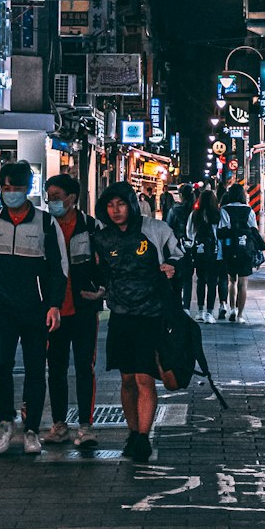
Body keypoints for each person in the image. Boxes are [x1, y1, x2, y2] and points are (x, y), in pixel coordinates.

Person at [0, 160, 68, 456]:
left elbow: (58, 267)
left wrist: (54, 305)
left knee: (35, 369)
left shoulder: (44, 222)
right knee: (0, 362)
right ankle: (5, 421)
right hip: (2, 307)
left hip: (36, 308)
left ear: (29, 190)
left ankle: (31, 430)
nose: (11, 193)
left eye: (17, 188)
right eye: (6, 187)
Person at [92, 181, 182, 463]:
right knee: (127, 378)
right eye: (110, 205)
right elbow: (100, 272)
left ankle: (144, 436)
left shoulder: (156, 229)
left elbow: (180, 256)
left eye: (121, 204)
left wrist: (173, 267)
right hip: (120, 316)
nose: (116, 210)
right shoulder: (103, 237)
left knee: (145, 378)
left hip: (150, 315)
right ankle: (132, 433)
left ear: (131, 204)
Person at [42, 173, 102, 449]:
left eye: (56, 196)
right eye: (49, 196)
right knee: (55, 368)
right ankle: (59, 425)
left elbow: (106, 263)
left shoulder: (91, 227)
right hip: (52, 310)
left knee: (83, 367)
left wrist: (102, 289)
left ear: (72, 198)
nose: (51, 201)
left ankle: (86, 427)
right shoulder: (43, 225)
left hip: (83, 308)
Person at [219, 183, 262, 324]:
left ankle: (232, 309)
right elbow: (254, 230)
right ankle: (241, 315)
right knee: (243, 283)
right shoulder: (249, 210)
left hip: (230, 249)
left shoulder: (224, 210)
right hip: (245, 250)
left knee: (232, 280)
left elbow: (222, 231)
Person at [186, 189, 225, 322]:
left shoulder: (194, 214)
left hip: (199, 252)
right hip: (215, 253)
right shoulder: (218, 214)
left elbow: (189, 233)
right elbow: (223, 232)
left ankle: (200, 311)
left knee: (200, 280)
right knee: (213, 282)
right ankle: (209, 313)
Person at [167, 184, 196, 312]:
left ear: (181, 195)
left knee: (176, 278)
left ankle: (177, 306)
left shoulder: (174, 210)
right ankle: (186, 307)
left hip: (176, 247)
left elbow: (167, 229)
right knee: (188, 279)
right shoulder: (195, 211)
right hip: (192, 248)